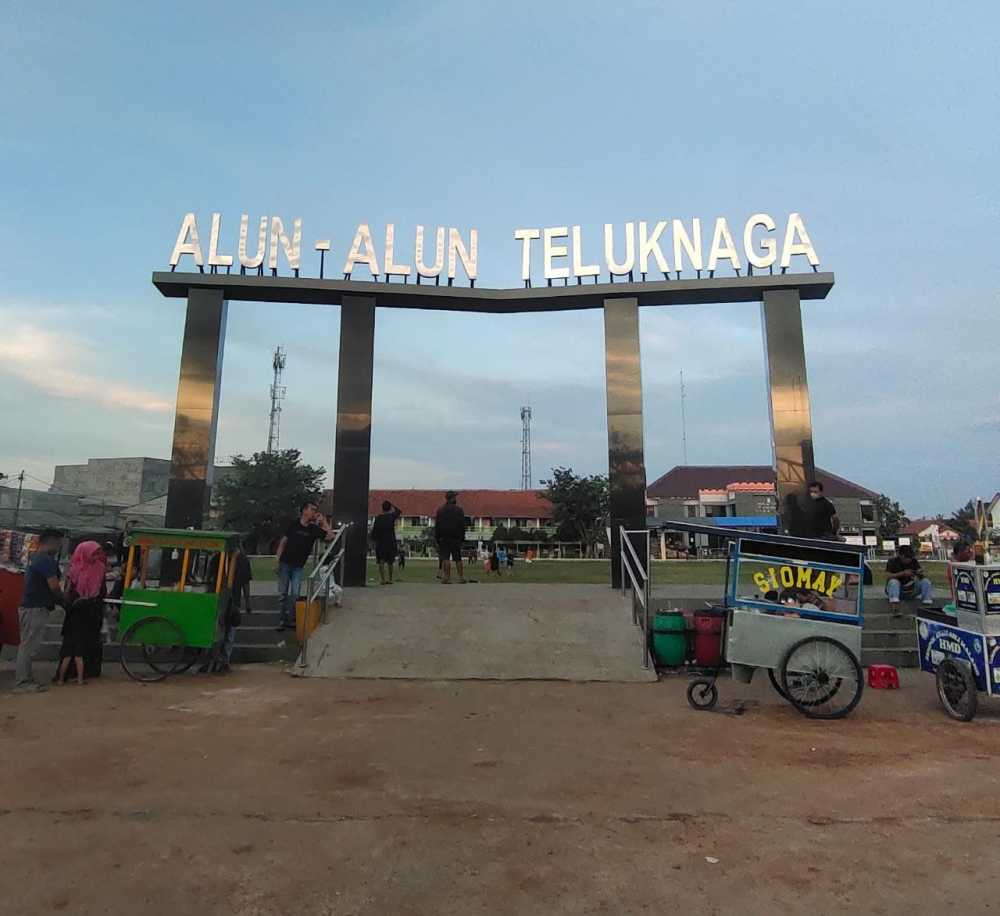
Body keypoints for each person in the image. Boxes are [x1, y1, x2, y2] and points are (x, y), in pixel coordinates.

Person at [14, 529, 65, 694]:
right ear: (51, 541)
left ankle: (25, 679)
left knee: (27, 645)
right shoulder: (45, 559)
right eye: (58, 543)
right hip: (35, 607)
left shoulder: (36, 557)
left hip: (31, 606)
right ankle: (22, 683)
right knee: (28, 647)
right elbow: (54, 586)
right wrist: (65, 601)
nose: (59, 546)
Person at [275, 501, 335, 630]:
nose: (314, 512)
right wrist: (278, 560)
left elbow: (331, 537)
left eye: (315, 510)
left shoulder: (313, 529)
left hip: (298, 566)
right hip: (285, 563)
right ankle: (281, 620)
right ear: (304, 511)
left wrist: (323, 522)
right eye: (312, 509)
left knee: (295, 593)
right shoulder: (294, 524)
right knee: (283, 593)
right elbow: (283, 542)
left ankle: (292, 619)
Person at [55, 541, 107, 686]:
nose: (96, 557)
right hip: (76, 613)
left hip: (91, 613)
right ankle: (68, 677)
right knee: (74, 649)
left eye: (98, 553)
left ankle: (84, 674)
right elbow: (68, 594)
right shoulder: (74, 571)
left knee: (85, 646)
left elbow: (101, 591)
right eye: (93, 553)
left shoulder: (100, 569)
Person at [885, 543, 932, 615]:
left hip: (911, 590)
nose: (908, 560)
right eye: (906, 558)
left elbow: (921, 576)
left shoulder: (913, 561)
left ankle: (927, 604)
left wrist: (919, 573)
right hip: (897, 590)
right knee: (893, 582)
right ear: (900, 555)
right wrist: (903, 573)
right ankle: (895, 608)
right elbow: (888, 575)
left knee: (926, 582)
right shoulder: (892, 561)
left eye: (910, 558)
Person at [434, 491, 468, 584]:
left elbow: (437, 526)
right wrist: (463, 537)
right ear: (452, 498)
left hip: (444, 537)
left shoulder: (440, 510)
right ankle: (461, 578)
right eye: (455, 497)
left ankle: (446, 578)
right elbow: (462, 525)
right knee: (458, 558)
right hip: (456, 537)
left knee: (446, 558)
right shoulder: (459, 510)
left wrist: (437, 538)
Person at [370, 500, 402, 585]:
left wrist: (374, 540)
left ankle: (383, 579)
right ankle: (390, 579)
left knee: (381, 561)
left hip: (380, 542)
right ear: (389, 508)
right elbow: (399, 511)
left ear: (382, 508)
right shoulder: (391, 517)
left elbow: (374, 531)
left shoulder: (378, 518)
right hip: (390, 541)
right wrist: (392, 505)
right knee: (390, 561)